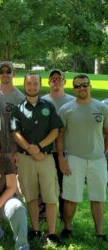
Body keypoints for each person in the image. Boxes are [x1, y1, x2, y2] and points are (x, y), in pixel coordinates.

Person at [10, 73, 63, 244]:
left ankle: (52, 233)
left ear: (40, 85)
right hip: (25, 158)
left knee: (50, 195)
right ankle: (36, 229)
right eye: (29, 83)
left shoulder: (48, 105)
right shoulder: (18, 108)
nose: (32, 87)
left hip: (45, 157)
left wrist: (39, 147)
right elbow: (15, 133)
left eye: (35, 84)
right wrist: (31, 150)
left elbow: (55, 130)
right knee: (30, 195)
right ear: (24, 85)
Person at [57, 74, 108, 242]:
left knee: (98, 197)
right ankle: (67, 227)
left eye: (84, 85)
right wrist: (62, 159)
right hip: (74, 158)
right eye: (78, 86)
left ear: (90, 86)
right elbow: (59, 136)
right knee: (71, 198)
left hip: (98, 159)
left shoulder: (102, 108)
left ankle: (99, 232)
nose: (82, 88)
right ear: (74, 89)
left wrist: (105, 151)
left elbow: (107, 132)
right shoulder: (66, 109)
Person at [41, 69, 75, 219]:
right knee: (45, 183)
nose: (56, 81)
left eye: (59, 78)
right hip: (47, 150)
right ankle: (43, 215)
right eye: (53, 79)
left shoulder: (73, 101)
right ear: (49, 82)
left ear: (64, 81)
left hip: (67, 150)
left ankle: (62, 214)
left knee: (64, 183)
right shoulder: (42, 101)